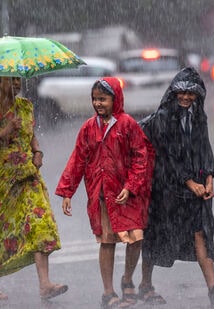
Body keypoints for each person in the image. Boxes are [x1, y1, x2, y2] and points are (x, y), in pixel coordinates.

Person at [138, 67, 214, 307]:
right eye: (181, 92)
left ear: (198, 96)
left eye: (190, 94)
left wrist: (209, 177)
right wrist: (188, 181)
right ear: (173, 92)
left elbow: (204, 147)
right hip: (166, 188)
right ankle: (145, 284)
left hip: (194, 186)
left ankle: (213, 287)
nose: (185, 97)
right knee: (156, 234)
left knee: (200, 232)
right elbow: (168, 155)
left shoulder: (197, 115)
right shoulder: (163, 118)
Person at [55, 77, 153, 309]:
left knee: (136, 238)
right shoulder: (89, 128)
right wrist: (67, 192)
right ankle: (108, 293)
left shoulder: (128, 124)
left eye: (103, 99)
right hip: (103, 196)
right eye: (95, 99)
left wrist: (130, 186)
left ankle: (127, 278)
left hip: (128, 195)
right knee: (107, 242)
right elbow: (77, 160)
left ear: (115, 99)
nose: (98, 104)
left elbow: (141, 158)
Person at [0, 76, 67, 300]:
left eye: (18, 79)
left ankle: (45, 284)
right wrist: (4, 133)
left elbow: (31, 136)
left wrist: (38, 152)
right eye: (11, 80)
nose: (16, 84)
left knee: (40, 221)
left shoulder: (26, 107)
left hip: (27, 175)